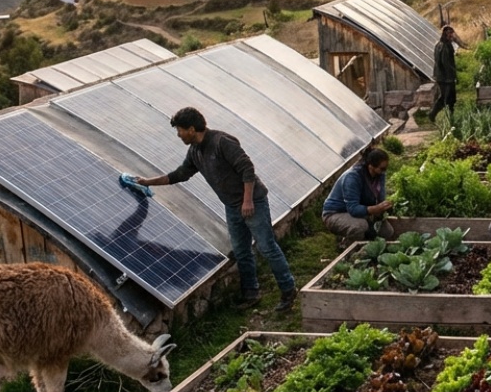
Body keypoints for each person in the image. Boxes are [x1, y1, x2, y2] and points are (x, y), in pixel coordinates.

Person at [134, 107, 299, 312]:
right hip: (232, 206)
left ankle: (288, 289)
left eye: (180, 130)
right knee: (241, 251)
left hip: (252, 202)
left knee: (267, 247)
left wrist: (247, 201)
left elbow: (247, 168)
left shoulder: (222, 142)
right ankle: (250, 293)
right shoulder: (195, 151)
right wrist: (147, 182)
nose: (178, 135)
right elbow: (180, 174)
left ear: (192, 129)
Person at [321, 146, 396, 246]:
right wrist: (375, 209)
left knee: (387, 232)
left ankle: (361, 244)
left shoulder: (379, 175)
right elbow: (353, 209)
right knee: (360, 226)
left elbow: (380, 199)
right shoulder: (352, 177)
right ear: (371, 166)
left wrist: (384, 208)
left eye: (385, 168)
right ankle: (349, 250)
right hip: (336, 213)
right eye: (382, 169)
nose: (384, 171)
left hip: (361, 213)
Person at [427, 25, 459, 123]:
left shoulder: (439, 44)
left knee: (450, 97)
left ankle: (450, 116)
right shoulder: (444, 46)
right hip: (445, 77)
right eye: (450, 33)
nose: (451, 35)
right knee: (446, 97)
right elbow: (446, 63)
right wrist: (453, 76)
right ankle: (432, 114)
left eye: (452, 33)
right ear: (445, 34)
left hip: (441, 76)